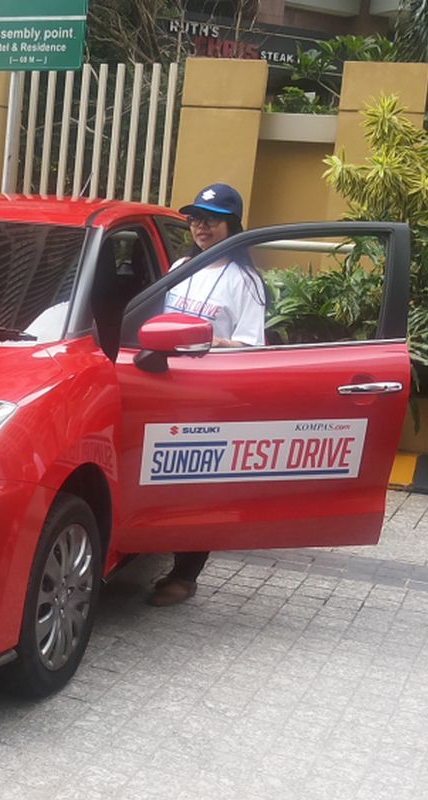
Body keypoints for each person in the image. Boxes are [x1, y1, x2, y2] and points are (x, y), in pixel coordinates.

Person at [147, 182, 267, 607]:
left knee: (196, 485)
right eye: (196, 218)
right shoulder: (181, 264)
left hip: (209, 394)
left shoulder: (245, 281)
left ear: (231, 225)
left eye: (212, 219)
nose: (201, 226)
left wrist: (211, 344)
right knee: (158, 478)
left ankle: (185, 574)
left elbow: (253, 347)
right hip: (161, 386)